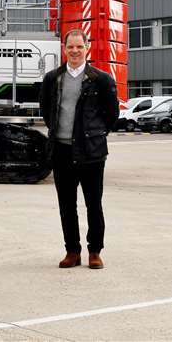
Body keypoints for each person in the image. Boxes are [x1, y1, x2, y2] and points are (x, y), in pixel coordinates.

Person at [39, 29, 118, 270]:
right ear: (64, 48)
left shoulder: (101, 79)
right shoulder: (53, 78)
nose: (75, 51)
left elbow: (111, 115)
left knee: (94, 204)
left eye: (79, 47)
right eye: (70, 47)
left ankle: (95, 251)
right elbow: (46, 110)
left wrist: (93, 134)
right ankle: (72, 251)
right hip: (62, 152)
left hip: (91, 153)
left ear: (88, 48)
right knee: (66, 205)